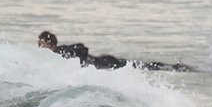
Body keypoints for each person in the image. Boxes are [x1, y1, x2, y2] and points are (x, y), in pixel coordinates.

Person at [37, 31, 192, 72]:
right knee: (140, 66)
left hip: (104, 62)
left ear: (49, 42)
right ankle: (174, 67)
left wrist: (83, 66)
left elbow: (82, 48)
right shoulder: (57, 54)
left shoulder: (61, 51)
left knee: (143, 66)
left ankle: (175, 67)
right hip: (103, 61)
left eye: (41, 42)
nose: (39, 45)